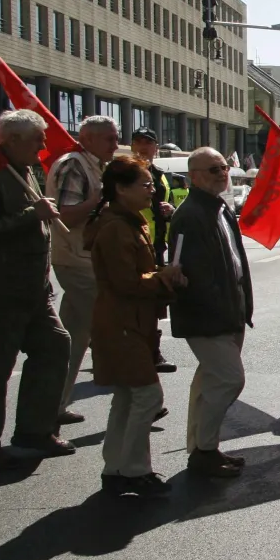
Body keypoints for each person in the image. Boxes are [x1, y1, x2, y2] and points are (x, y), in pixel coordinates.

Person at [86, 156, 187, 498]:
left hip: (129, 321)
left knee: (128, 398)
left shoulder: (129, 222)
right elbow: (126, 282)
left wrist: (158, 273)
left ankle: (116, 468)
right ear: (121, 189)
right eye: (144, 185)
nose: (152, 190)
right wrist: (162, 277)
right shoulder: (116, 227)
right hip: (122, 322)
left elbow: (133, 274)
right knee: (147, 396)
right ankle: (133, 471)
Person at [0, 110, 74, 465]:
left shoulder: (23, 169)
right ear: (11, 140)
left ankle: (35, 430)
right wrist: (32, 215)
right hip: (0, 292)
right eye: (37, 139)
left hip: (34, 290)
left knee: (55, 345)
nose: (43, 146)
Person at [170, 147, 251, 479]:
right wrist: (223, 313)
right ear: (194, 177)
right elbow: (196, 277)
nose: (222, 173)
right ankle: (204, 450)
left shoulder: (219, 208)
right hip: (210, 318)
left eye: (224, 167)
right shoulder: (190, 214)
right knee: (231, 379)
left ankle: (205, 448)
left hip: (229, 312)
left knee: (209, 384)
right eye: (213, 169)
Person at [46, 115, 118, 425]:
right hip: (77, 261)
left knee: (75, 338)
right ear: (87, 138)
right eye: (109, 139)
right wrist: (102, 199)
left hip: (84, 259)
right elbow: (67, 216)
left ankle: (53, 405)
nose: (115, 145)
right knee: (110, 327)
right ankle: (139, 395)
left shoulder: (94, 165)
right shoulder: (74, 165)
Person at [129, 127, 177, 376]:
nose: (142, 146)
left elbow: (162, 204)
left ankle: (151, 350)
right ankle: (143, 352)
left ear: (156, 147)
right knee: (136, 298)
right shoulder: (126, 172)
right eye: (137, 142)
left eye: (147, 142)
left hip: (156, 245)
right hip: (134, 241)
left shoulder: (160, 175)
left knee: (155, 300)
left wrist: (170, 210)